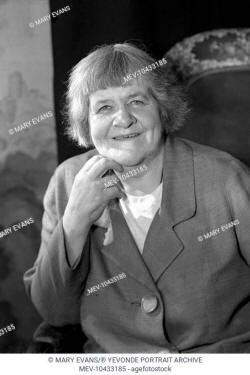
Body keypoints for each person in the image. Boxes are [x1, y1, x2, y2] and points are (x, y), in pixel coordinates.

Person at [24, 43, 250, 353]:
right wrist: (75, 219)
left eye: (137, 100)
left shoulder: (226, 177)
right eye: (104, 107)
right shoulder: (68, 180)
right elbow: (55, 313)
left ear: (162, 108)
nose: (124, 119)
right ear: (85, 123)